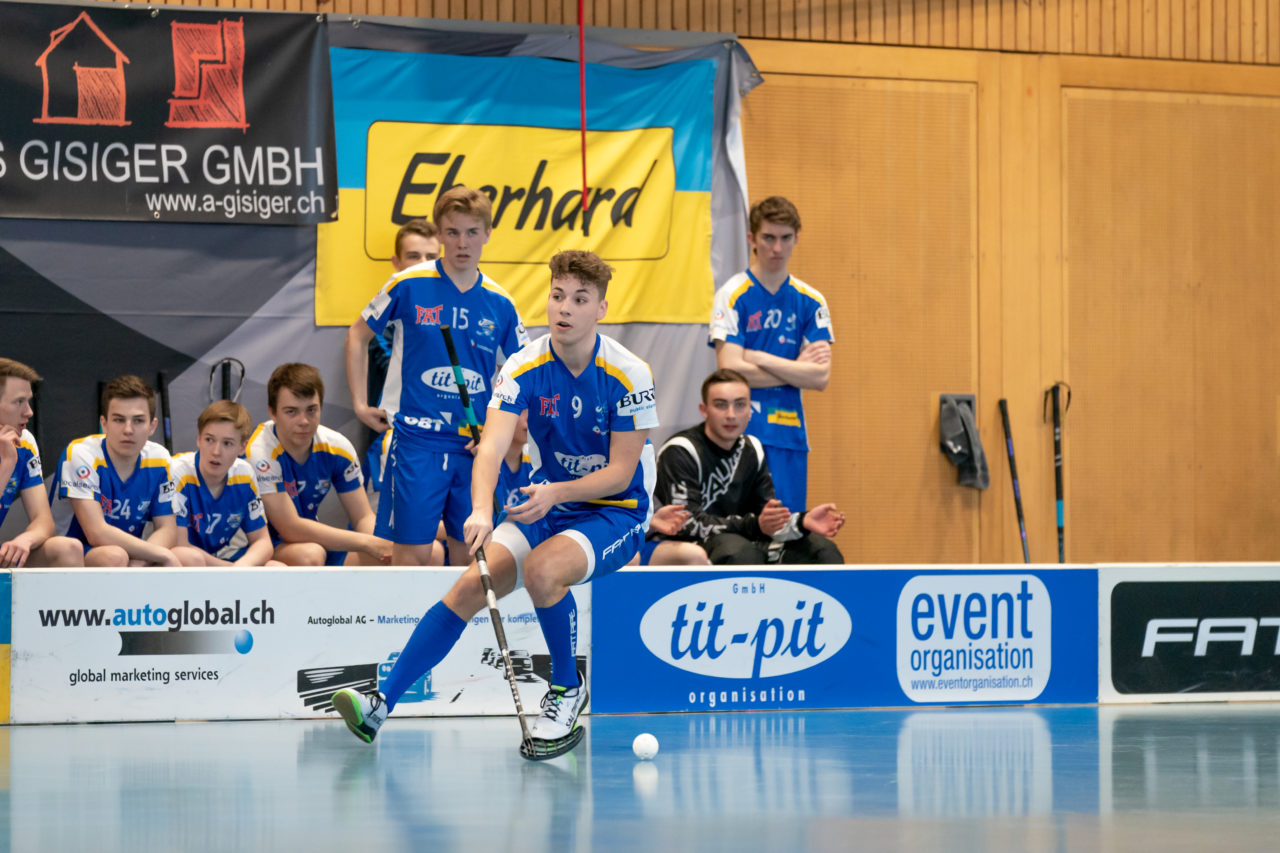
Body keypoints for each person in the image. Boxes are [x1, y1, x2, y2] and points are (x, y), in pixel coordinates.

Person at [331, 249, 657, 750]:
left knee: (543, 571)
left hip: (616, 512)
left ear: (601, 309)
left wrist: (556, 493)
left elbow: (621, 473)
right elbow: (491, 446)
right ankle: (381, 705)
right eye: (557, 296)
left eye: (579, 299)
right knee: (467, 588)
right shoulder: (525, 366)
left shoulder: (629, 373)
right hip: (546, 504)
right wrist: (482, 507)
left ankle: (568, 691)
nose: (564, 308)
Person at [345, 187, 528, 568]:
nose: (462, 243)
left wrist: (498, 436)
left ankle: (457, 629)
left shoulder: (502, 302)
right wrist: (361, 405)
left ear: (488, 233)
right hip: (416, 442)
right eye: (452, 232)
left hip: (473, 449)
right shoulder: (408, 283)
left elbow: (524, 374)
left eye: (472, 232)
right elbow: (358, 333)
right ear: (440, 234)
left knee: (472, 559)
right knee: (410, 555)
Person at [710, 196, 833, 511]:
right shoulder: (732, 294)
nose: (777, 248)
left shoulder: (811, 300)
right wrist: (795, 369)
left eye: (785, 238)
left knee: (785, 532)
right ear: (752, 238)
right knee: (741, 535)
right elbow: (731, 371)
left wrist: (758, 357)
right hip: (737, 433)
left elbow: (820, 377)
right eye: (768, 238)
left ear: (796, 239)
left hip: (789, 433)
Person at [650, 369, 845, 565]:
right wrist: (754, 525)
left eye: (740, 405)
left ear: (750, 411)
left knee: (821, 551)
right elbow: (685, 524)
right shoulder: (681, 450)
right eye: (721, 405)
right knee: (740, 552)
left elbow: (766, 519)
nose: (731, 415)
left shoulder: (752, 448)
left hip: (743, 539)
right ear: (704, 410)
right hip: (690, 545)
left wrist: (801, 522)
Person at [246, 363, 392, 566]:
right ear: (272, 412)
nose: (304, 421)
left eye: (311, 410)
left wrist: (385, 544)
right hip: (261, 548)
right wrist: (367, 543)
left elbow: (362, 517)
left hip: (312, 542)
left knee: (413, 554)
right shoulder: (260, 451)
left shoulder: (337, 446)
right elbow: (289, 527)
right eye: (291, 412)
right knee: (310, 556)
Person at [52, 375, 180, 567]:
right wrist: (162, 555)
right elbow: (96, 533)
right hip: (71, 552)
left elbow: (167, 529)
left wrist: (141, 562)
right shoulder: (80, 453)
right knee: (115, 556)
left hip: (127, 553)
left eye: (138, 421)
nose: (128, 430)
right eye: (119, 420)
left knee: (185, 556)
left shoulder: (160, 458)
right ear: (104, 424)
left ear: (152, 426)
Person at [365, 219, 442, 491]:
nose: (423, 263)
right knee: (393, 531)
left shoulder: (451, 312)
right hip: (393, 440)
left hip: (445, 441)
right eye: (414, 256)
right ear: (396, 262)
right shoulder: (383, 318)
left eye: (431, 257)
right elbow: (403, 369)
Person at [170, 401, 281, 568]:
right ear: (198, 439)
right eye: (209, 440)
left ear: (242, 447)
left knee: (276, 567)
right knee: (191, 558)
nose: (216, 451)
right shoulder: (177, 472)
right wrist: (228, 570)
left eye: (227, 443)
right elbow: (179, 544)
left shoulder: (244, 474)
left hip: (222, 559)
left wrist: (240, 567)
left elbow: (263, 541)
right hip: (181, 560)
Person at [0, 359, 83, 568]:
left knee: (67, 550)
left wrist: (25, 540)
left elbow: (44, 522)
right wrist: (7, 463)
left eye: (28, 401)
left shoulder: (24, 441)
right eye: (19, 402)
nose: (29, 412)